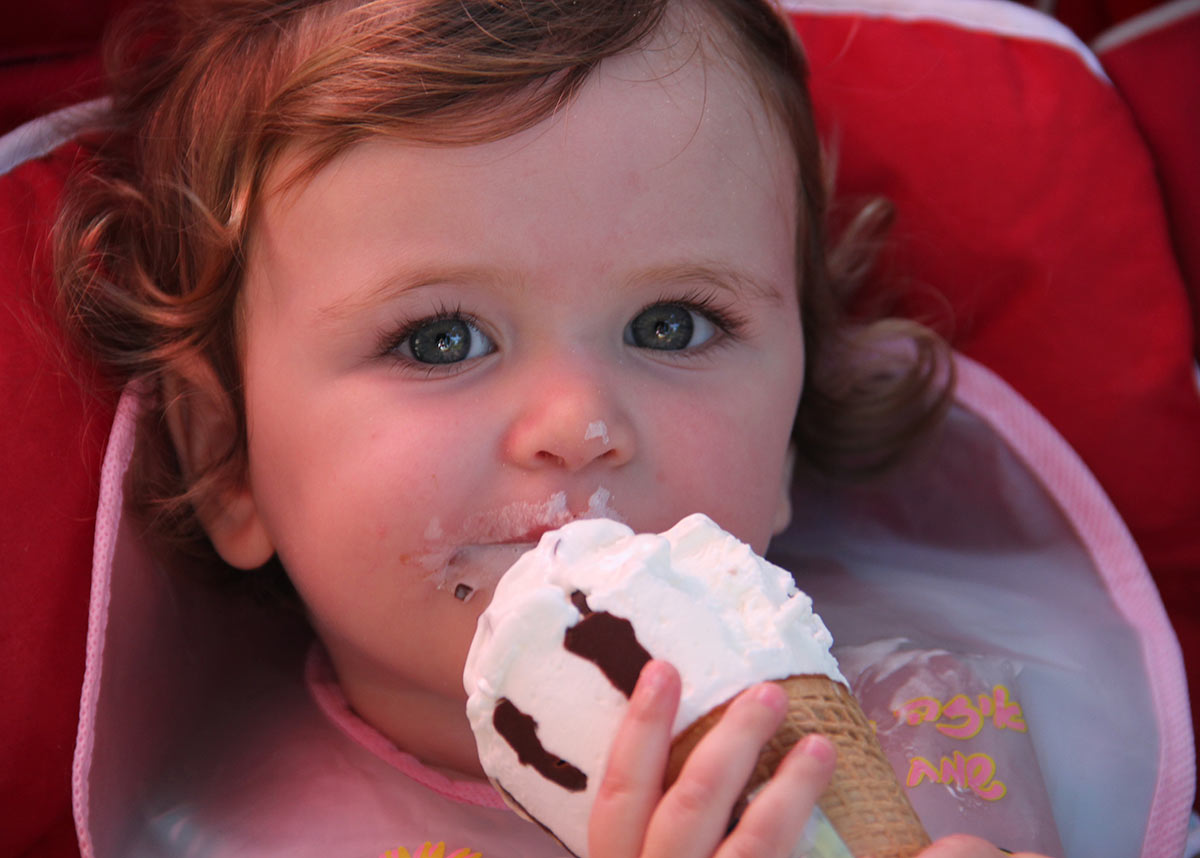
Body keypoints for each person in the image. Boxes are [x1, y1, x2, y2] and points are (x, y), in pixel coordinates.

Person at [50, 0, 1109, 856]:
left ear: (792, 424)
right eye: (440, 340)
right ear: (226, 459)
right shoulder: (231, 827)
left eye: (672, 324)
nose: (580, 424)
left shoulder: (920, 729)